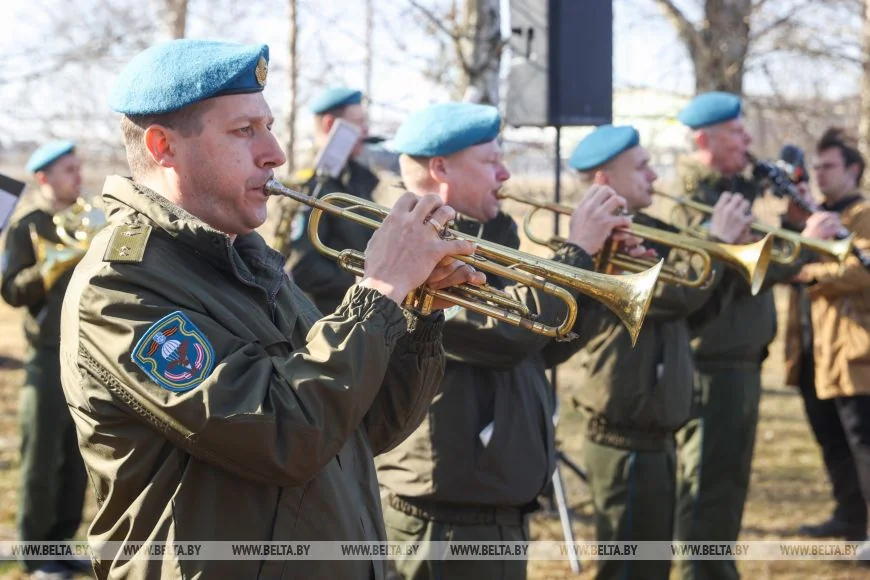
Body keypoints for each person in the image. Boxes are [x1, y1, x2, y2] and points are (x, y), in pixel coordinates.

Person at [58, 39, 485, 579]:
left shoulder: (243, 257)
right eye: (244, 131)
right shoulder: (120, 286)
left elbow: (360, 425)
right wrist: (378, 291)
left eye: (270, 126)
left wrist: (417, 310)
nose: (275, 152)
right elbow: (287, 433)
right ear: (163, 146)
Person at [375, 103, 637, 580]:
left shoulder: (490, 237)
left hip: (490, 511)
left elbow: (544, 344)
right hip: (441, 523)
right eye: (490, 160)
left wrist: (601, 275)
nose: (506, 172)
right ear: (441, 168)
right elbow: (503, 335)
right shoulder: (407, 246)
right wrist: (576, 253)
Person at [566, 125, 750, 580]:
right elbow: (672, 297)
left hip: (655, 432)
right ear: (605, 181)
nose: (654, 175)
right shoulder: (608, 242)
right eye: (642, 166)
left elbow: (688, 319)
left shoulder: (649, 231)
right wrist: (720, 246)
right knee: (630, 570)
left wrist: (723, 265)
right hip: (624, 435)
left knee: (650, 567)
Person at [671, 92, 841, 580]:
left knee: (728, 482)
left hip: (739, 360)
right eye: (737, 134)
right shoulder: (697, 200)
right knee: (705, 481)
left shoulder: (731, 190)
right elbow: (756, 268)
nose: (748, 142)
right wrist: (807, 240)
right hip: (712, 363)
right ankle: (699, 572)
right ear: (704, 139)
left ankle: (716, 566)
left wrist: (790, 211)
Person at [1, 140, 89, 579]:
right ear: (43, 179)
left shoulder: (91, 219)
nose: (78, 176)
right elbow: (12, 290)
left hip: (87, 357)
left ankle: (62, 543)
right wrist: (49, 267)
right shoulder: (28, 227)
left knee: (77, 457)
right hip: (45, 357)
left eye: (78, 167)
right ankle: (36, 556)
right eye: (69, 170)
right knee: (41, 457)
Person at [792, 128, 870, 552]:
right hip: (811, 351)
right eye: (816, 165)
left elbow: (861, 271)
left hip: (853, 353)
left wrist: (810, 272)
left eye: (829, 166)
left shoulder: (861, 214)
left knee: (864, 445)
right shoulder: (813, 213)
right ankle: (849, 518)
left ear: (853, 169)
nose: (820, 173)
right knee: (832, 440)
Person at [283, 86, 380, 314]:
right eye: (358, 122)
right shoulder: (312, 184)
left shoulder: (354, 178)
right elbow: (303, 267)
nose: (365, 131)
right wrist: (368, 279)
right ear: (330, 125)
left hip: (359, 311)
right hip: (327, 317)